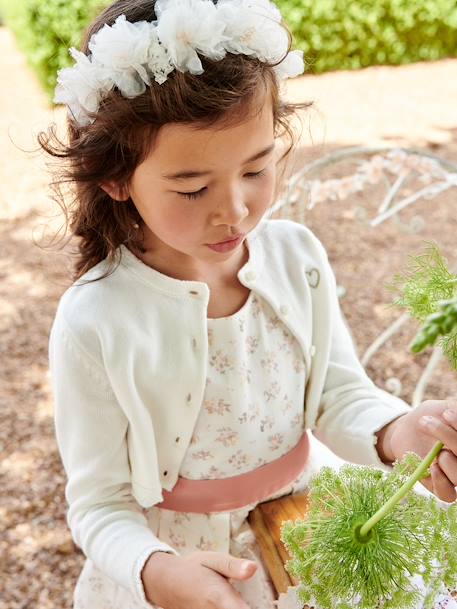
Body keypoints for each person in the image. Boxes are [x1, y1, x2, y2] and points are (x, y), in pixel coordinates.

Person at [40, 0, 457, 608]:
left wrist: (399, 430)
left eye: (257, 169)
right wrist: (157, 573)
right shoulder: (97, 318)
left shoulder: (297, 258)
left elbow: (338, 393)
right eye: (193, 187)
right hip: (187, 564)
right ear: (116, 179)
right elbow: (99, 505)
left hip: (311, 531)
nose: (234, 210)